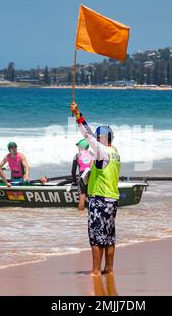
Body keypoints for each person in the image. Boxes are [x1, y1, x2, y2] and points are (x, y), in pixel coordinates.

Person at [71, 101, 121, 277]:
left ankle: (95, 271)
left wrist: (78, 114)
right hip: (113, 199)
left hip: (100, 199)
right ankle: (109, 269)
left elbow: (86, 134)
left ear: (101, 138)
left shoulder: (102, 151)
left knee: (96, 237)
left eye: (98, 137)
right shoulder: (115, 152)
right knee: (109, 237)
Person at [71, 139, 94, 211]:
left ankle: (80, 216)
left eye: (78, 146)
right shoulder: (92, 154)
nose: (77, 148)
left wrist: (74, 181)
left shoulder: (77, 155)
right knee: (92, 195)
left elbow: (73, 171)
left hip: (83, 175)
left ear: (81, 146)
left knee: (82, 195)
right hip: (92, 174)